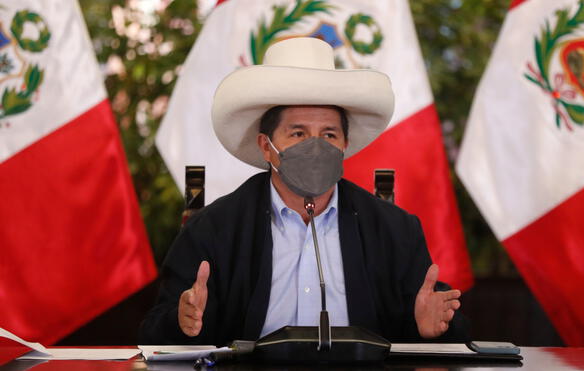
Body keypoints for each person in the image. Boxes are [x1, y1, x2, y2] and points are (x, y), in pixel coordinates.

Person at [140, 37, 469, 346]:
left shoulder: (394, 230)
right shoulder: (214, 230)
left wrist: (428, 329)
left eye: (328, 135)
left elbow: (442, 328)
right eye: (297, 133)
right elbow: (153, 334)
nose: (315, 147)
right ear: (266, 147)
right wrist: (181, 322)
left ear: (345, 145)